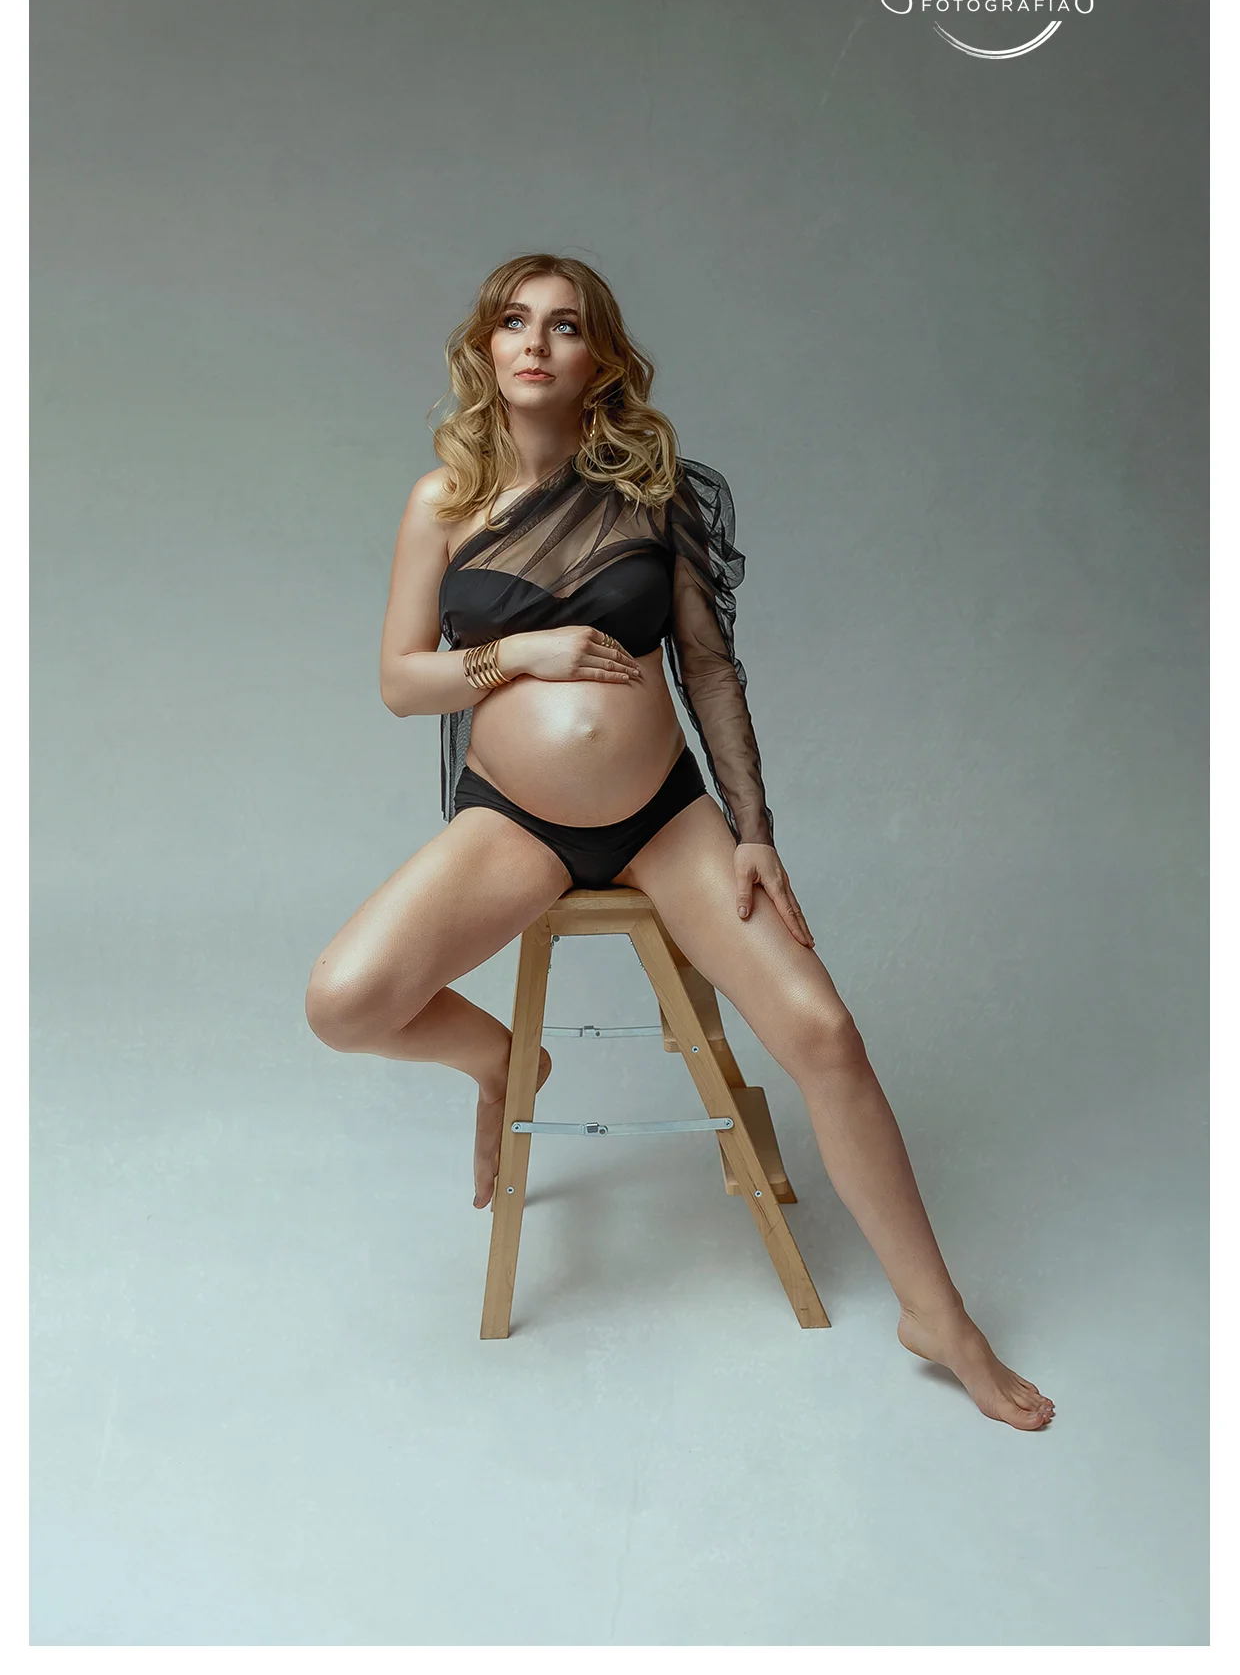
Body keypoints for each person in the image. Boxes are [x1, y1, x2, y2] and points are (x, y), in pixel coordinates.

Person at [305, 253, 1055, 1431]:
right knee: (343, 1001)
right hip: (517, 824)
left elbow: (708, 670)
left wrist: (754, 832)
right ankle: (506, 1065)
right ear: (486, 347)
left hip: (664, 819)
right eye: (514, 321)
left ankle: (938, 1315)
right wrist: (521, 654)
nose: (535, 343)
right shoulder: (441, 501)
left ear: (599, 358)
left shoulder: (653, 494)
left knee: (825, 1035)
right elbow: (404, 682)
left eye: (564, 326)